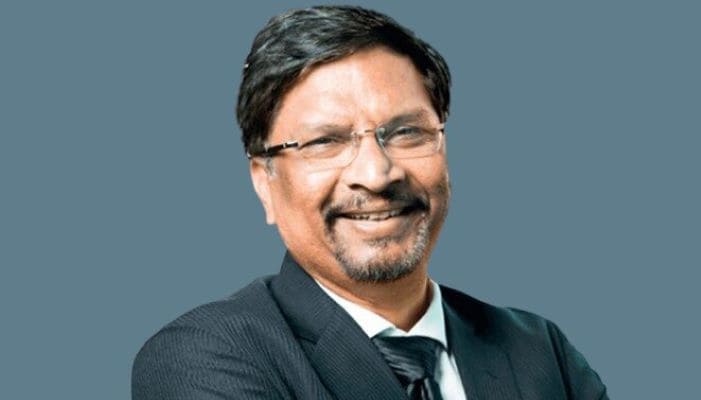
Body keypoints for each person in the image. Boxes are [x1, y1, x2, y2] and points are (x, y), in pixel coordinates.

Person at [132, 5, 608, 400]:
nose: (377, 174)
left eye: (406, 132)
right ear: (264, 182)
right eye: (325, 141)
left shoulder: (539, 351)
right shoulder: (203, 356)